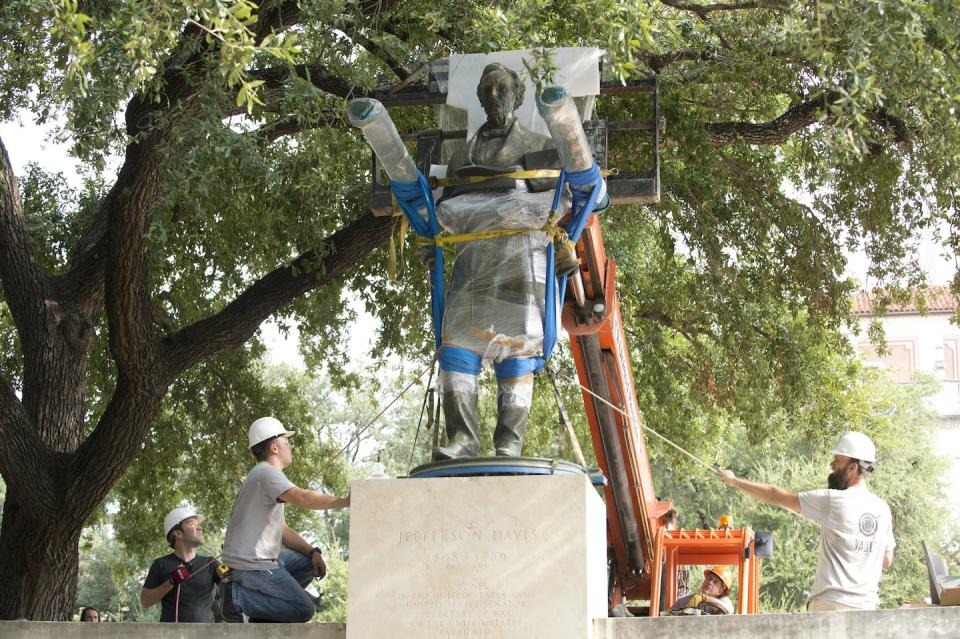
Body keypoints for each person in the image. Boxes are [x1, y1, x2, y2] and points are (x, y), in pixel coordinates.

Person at [432, 62, 565, 460]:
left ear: (518, 95)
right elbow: (447, 207)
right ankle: (463, 440)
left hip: (520, 263)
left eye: (502, 88)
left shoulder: (538, 143)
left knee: (518, 346)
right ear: (479, 98)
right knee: (456, 344)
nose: (494, 96)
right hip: (472, 263)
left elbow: (555, 204)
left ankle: (509, 443)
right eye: (487, 90)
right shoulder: (460, 155)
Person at [716, 431, 895, 611]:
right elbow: (886, 560)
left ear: (852, 468)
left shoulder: (834, 500)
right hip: (867, 609)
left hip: (831, 604)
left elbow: (774, 495)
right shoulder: (882, 509)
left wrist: (734, 481)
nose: (832, 465)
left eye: (838, 461)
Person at [220, 416, 350, 623]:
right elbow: (303, 497)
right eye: (287, 442)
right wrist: (345, 501)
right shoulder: (267, 473)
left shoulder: (262, 475)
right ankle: (236, 598)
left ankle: (265, 615)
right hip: (252, 567)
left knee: (308, 562)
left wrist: (312, 551)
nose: (291, 447)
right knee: (303, 610)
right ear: (274, 447)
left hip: (260, 561)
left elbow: (281, 529)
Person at [141, 506, 222, 622]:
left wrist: (231, 565)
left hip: (206, 634)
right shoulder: (161, 564)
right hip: (170, 635)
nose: (200, 527)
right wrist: (171, 581)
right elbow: (145, 601)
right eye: (192, 524)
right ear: (178, 534)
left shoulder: (211, 563)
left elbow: (230, 581)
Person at [668, 566, 735, 615]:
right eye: (709, 578)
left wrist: (706, 598)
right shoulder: (688, 600)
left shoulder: (724, 602)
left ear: (720, 591)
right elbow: (667, 616)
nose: (710, 582)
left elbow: (728, 610)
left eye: (715, 582)